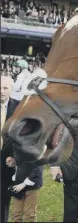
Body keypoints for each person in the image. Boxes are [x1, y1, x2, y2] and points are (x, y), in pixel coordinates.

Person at [1, 75, 19, 222]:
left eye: (5, 88)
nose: (1, 91)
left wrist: (15, 157)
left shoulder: (19, 108)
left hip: (7, 161)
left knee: (3, 199)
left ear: (11, 90)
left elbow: (23, 137)